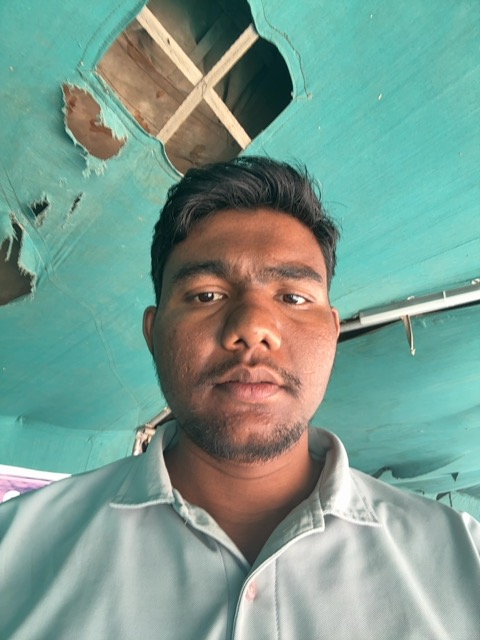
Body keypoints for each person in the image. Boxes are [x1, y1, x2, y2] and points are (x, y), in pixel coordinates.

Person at [0, 157, 479, 639]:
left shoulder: (464, 560)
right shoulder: (15, 551)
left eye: (293, 297)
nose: (252, 328)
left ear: (332, 333)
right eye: (206, 295)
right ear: (153, 332)